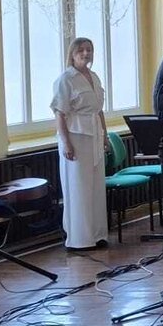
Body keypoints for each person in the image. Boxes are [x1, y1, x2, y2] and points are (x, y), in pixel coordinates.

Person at [52, 37, 108, 251]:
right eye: (81, 50)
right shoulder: (65, 79)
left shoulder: (94, 77)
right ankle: (80, 238)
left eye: (89, 50)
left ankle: (97, 233)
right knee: (79, 187)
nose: (86, 53)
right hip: (76, 136)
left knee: (96, 186)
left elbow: (99, 111)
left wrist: (104, 135)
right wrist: (66, 143)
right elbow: (60, 114)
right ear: (73, 54)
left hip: (94, 136)